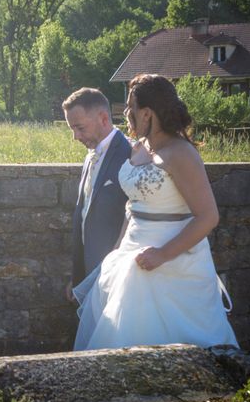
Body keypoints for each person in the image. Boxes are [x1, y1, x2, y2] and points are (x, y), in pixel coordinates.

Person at [72, 74, 238, 351]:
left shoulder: (181, 153)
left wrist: (163, 255)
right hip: (130, 251)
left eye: (130, 108)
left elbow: (208, 216)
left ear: (147, 113)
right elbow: (133, 205)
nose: (125, 114)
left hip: (171, 260)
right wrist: (117, 247)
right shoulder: (140, 148)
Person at [62, 88, 132, 303]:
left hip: (120, 278)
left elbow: (136, 217)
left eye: (80, 128)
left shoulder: (131, 153)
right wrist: (78, 277)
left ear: (103, 118)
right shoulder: (90, 156)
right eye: (72, 129)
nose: (75, 137)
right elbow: (84, 217)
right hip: (89, 275)